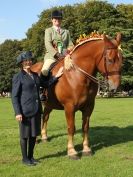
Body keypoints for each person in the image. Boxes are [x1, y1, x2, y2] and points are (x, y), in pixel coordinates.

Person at [11, 51, 63, 166]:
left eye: (29, 60)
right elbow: (14, 96)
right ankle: (25, 159)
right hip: (24, 111)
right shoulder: (18, 77)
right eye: (25, 61)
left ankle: (31, 157)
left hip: (36, 109)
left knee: (34, 135)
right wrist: (17, 112)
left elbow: (45, 84)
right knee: (25, 136)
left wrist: (57, 76)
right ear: (21, 63)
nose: (28, 62)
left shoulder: (35, 75)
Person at [41, 9, 74, 76]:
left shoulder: (66, 31)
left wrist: (68, 51)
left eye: (59, 18)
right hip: (52, 57)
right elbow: (48, 44)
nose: (57, 20)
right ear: (52, 20)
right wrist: (56, 54)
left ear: (61, 20)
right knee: (44, 71)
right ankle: (42, 86)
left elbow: (70, 44)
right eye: (55, 18)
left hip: (65, 56)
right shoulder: (48, 31)